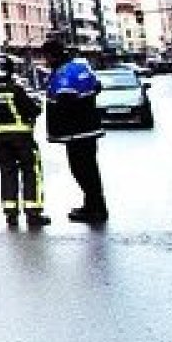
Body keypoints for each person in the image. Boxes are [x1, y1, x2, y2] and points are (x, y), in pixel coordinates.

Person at [0, 56, 50, 227]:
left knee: (7, 173)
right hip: (22, 138)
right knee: (31, 172)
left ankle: (11, 214)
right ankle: (33, 213)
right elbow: (33, 110)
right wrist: (37, 104)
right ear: (10, 70)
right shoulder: (14, 90)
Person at [42, 37, 107, 223]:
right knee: (89, 169)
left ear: (52, 56)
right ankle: (93, 205)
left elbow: (66, 102)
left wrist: (60, 124)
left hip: (76, 133)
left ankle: (96, 209)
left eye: (46, 57)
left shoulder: (63, 74)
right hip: (89, 128)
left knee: (82, 170)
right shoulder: (80, 66)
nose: (46, 61)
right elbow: (97, 86)